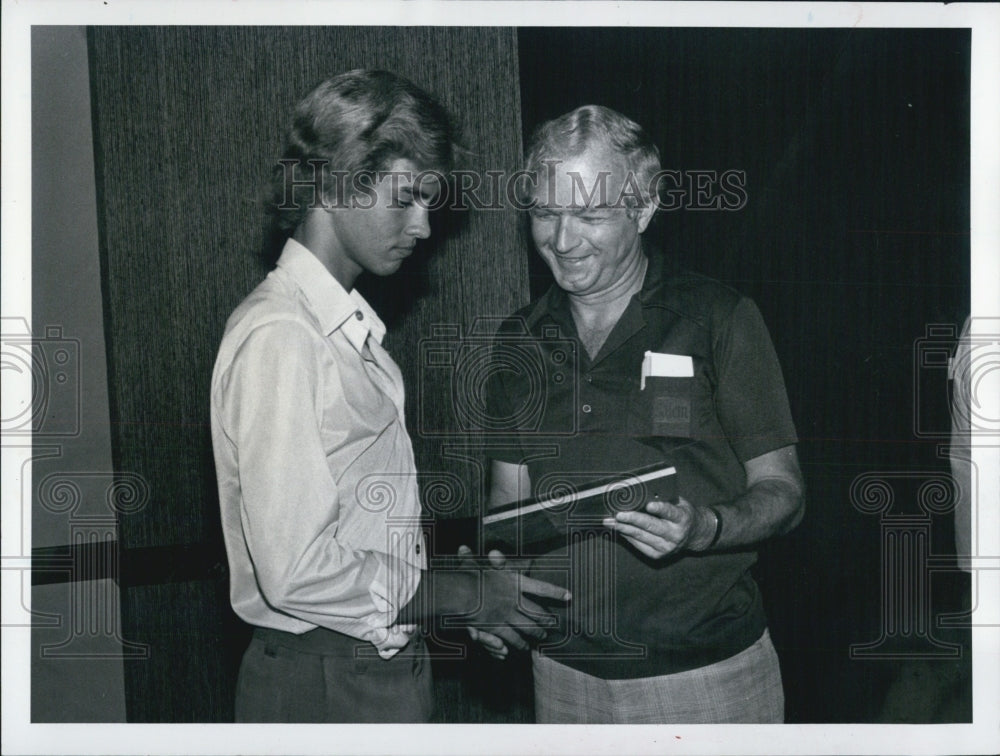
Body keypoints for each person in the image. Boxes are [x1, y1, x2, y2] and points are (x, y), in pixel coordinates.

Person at [210, 70, 567, 724]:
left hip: (368, 667)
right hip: (327, 682)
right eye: (406, 199)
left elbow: (357, 531)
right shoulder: (284, 336)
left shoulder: (340, 330)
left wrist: (454, 592)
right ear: (337, 181)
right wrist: (460, 592)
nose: (423, 227)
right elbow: (296, 571)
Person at [470, 105, 805, 723]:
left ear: (643, 210)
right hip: (561, 675)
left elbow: (784, 492)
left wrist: (706, 526)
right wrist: (492, 593)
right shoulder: (518, 339)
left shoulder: (719, 319)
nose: (562, 241)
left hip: (707, 675)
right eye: (546, 213)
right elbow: (507, 510)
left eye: (590, 215)